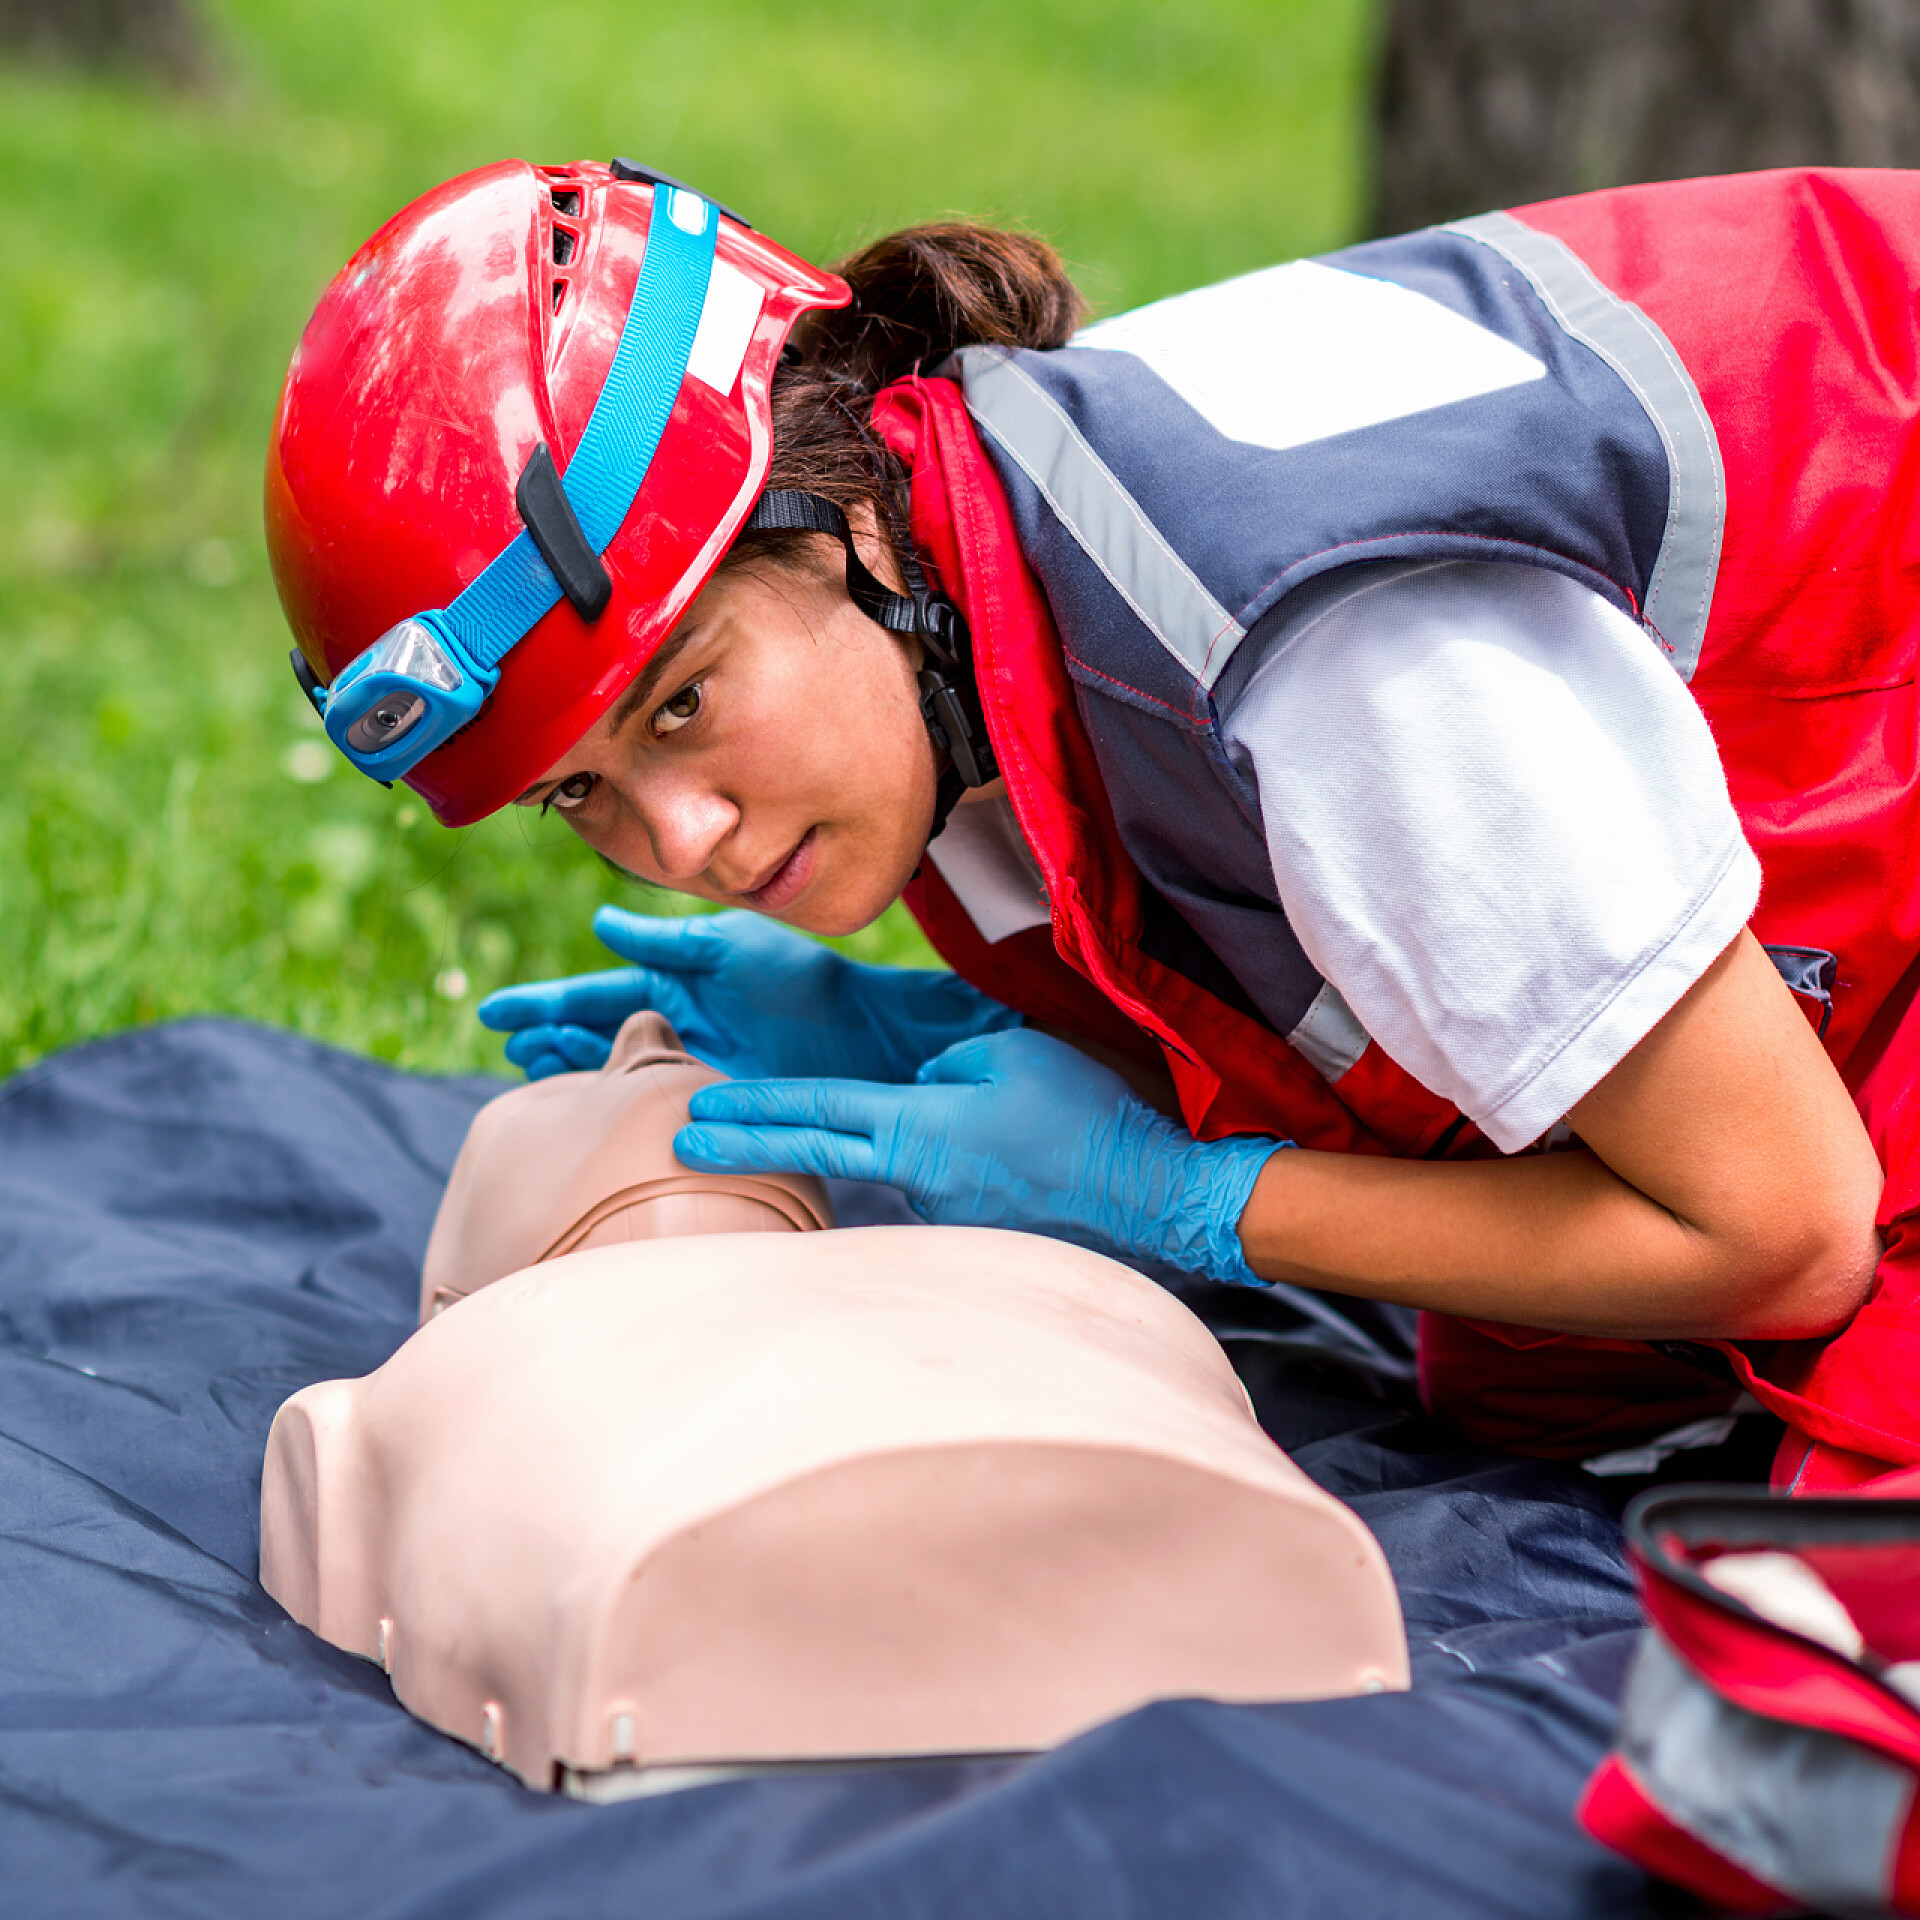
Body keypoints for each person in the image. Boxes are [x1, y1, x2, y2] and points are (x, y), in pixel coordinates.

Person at [265, 158, 1920, 1491]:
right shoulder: (971, 571)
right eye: (582, 792)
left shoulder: (1315, 661)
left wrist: (1187, 1194)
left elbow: (1779, 1234)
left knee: (1831, 1603)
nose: (679, 839)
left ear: (828, 507)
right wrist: (961, 1032)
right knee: (1536, 1385)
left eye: (681, 702)